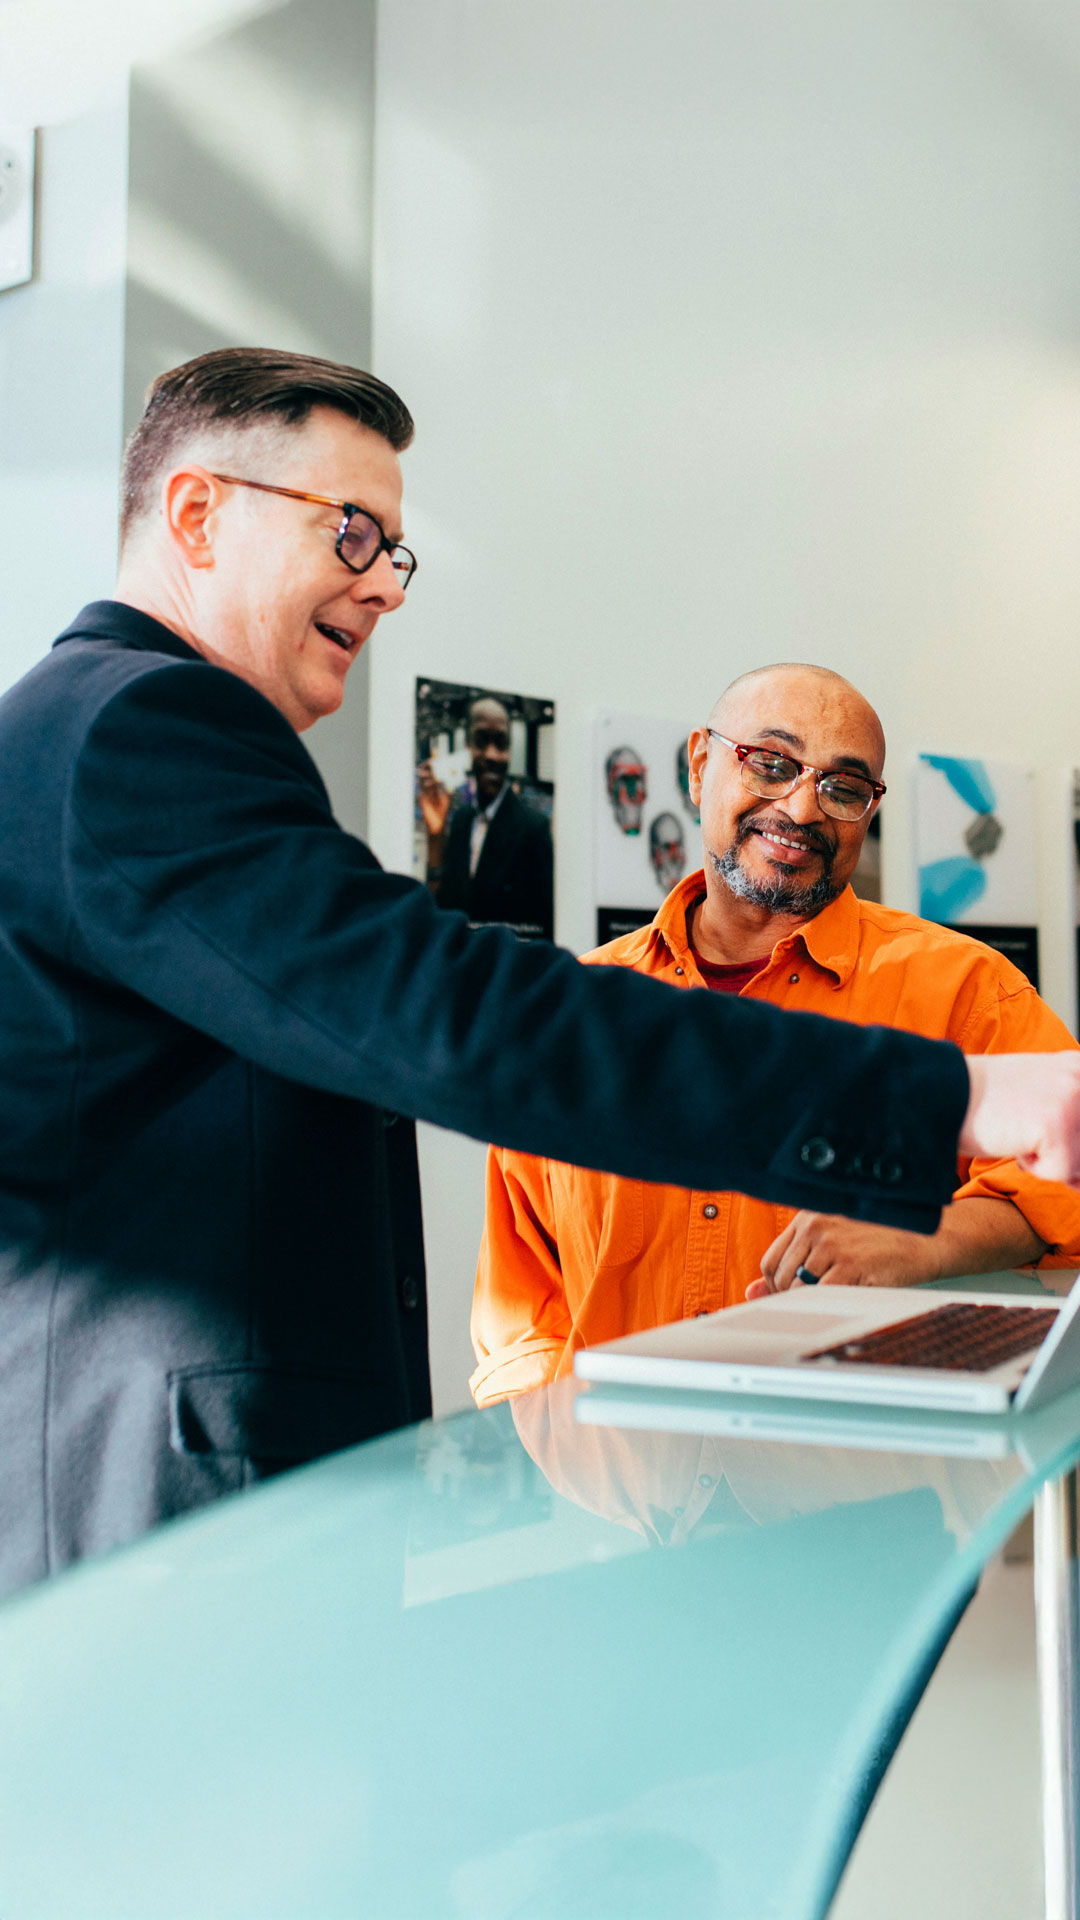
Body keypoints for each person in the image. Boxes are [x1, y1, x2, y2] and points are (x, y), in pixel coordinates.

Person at [1, 350, 1078, 1596]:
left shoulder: (90, 731)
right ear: (196, 513)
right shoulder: (144, 730)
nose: (385, 586)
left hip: (851, 1529)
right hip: (172, 1523)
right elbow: (450, 1020)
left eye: (393, 552)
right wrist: (950, 1102)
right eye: (354, 534)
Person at [471, 664, 1080, 1404]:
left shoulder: (966, 989)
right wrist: (562, 1474)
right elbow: (520, 1313)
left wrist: (925, 1236)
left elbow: (1066, 1181)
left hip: (864, 1490)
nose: (801, 807)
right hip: (620, 1493)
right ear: (700, 765)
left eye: (843, 788)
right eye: (771, 762)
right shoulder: (580, 1012)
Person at [417, 696, 554, 938]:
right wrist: (435, 837)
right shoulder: (461, 819)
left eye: (501, 744)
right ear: (468, 746)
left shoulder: (533, 829)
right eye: (481, 741)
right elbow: (443, 909)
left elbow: (542, 931)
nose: (491, 755)